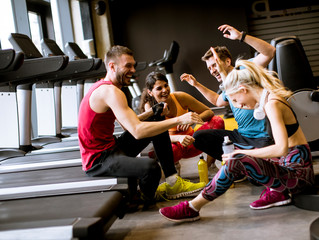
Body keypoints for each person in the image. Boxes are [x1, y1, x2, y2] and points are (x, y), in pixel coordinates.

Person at [159, 57, 315, 222]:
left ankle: (192, 207)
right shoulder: (268, 99)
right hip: (287, 164)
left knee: (236, 159)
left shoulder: (272, 104)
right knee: (240, 157)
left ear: (243, 89)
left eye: (235, 100)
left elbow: (281, 148)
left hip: (298, 176)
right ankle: (278, 191)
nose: (238, 105)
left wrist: (241, 152)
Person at [78, 45, 206, 208]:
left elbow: (128, 125)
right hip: (99, 160)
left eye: (133, 65)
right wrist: (178, 120)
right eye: (128, 66)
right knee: (151, 168)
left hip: (112, 147)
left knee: (156, 121)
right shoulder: (111, 92)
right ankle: (143, 198)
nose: (133, 70)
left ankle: (173, 183)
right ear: (112, 66)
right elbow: (137, 132)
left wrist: (152, 112)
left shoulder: (108, 89)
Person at [180, 24, 276, 166]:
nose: (212, 70)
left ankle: (246, 166)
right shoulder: (227, 84)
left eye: (214, 64)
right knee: (199, 137)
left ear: (227, 61)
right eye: (209, 68)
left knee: (257, 177)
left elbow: (269, 51)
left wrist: (241, 36)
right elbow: (218, 101)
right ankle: (237, 165)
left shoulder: (244, 68)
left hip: (260, 138)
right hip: (241, 135)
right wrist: (196, 85)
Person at [138, 71, 225, 175]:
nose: (165, 90)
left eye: (166, 86)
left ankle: (209, 166)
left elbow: (209, 112)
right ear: (150, 92)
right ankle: (173, 170)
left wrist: (191, 120)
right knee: (167, 148)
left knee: (217, 121)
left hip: (192, 141)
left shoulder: (180, 97)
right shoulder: (149, 108)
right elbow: (155, 136)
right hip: (174, 147)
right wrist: (179, 138)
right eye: (159, 88)